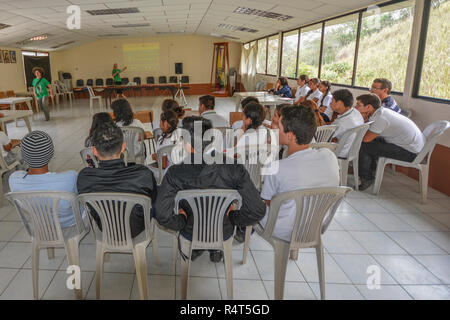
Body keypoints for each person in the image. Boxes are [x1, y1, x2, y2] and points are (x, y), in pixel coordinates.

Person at [154, 116, 266, 262]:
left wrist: (181, 221)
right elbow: (257, 209)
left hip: (190, 230)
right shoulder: (234, 167)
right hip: (223, 229)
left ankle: (195, 249)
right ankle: (215, 249)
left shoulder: (175, 173)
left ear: (187, 143)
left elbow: (162, 214)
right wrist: (233, 217)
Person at [260, 106, 340, 242]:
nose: (274, 130)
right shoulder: (329, 156)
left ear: (290, 135)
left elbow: (268, 203)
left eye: (277, 126)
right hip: (315, 227)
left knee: (250, 196)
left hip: (282, 230)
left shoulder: (276, 168)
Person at [77, 124, 157, 238]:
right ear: (123, 147)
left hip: (105, 228)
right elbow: (153, 199)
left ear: (94, 151)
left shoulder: (84, 177)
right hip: (135, 228)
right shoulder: (142, 174)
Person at [9, 131, 80, 228]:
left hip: (42, 224)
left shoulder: (14, 179)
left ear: (24, 155)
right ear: (51, 154)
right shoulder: (70, 177)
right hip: (71, 223)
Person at [356, 93, 425, 190]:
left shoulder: (380, 118)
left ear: (369, 107)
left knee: (364, 145)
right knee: (372, 142)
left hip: (411, 152)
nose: (355, 107)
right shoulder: (381, 112)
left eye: (358, 105)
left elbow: (366, 139)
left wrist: (362, 120)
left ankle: (366, 177)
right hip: (411, 146)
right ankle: (371, 171)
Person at [330, 89, 364, 159]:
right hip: (351, 150)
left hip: (340, 152)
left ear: (339, 103)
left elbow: (324, 137)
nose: (330, 103)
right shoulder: (355, 112)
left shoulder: (342, 122)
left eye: (332, 101)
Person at [149, 110, 180, 180]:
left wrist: (156, 157)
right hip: (184, 171)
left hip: (169, 173)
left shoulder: (163, 139)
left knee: (147, 169)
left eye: (160, 121)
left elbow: (163, 164)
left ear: (165, 123)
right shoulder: (183, 133)